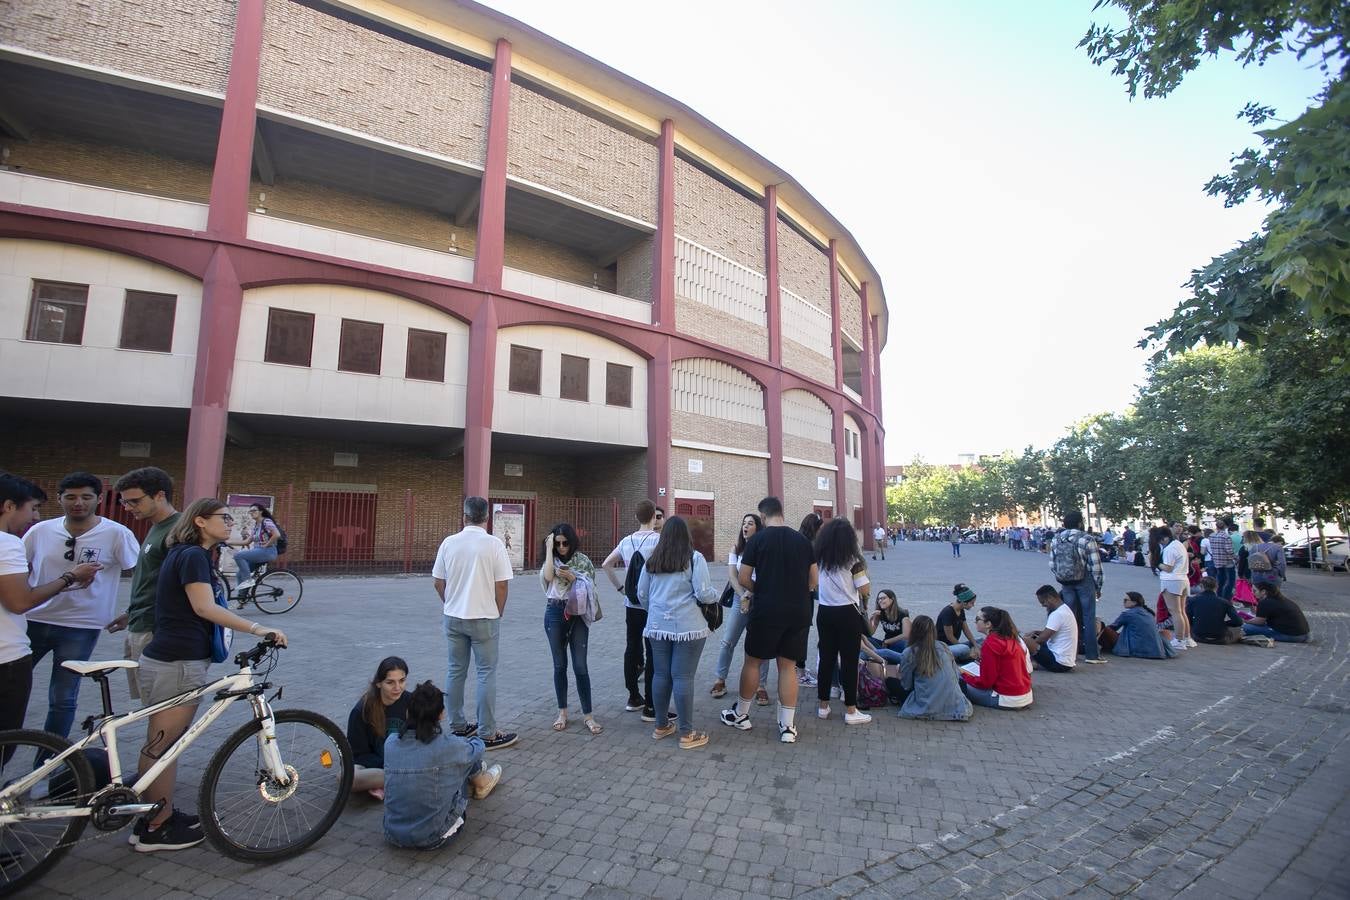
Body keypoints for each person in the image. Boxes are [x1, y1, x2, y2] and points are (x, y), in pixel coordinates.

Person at [132, 498, 289, 852]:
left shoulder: (193, 554)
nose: (230, 524)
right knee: (164, 745)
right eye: (224, 518)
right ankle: (156, 827)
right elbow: (205, 607)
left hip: (176, 657)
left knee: (161, 741)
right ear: (201, 521)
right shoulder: (192, 556)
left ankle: (157, 812)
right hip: (177, 661)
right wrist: (257, 627)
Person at [23, 472, 139, 739]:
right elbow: (17, 568)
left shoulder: (117, 533)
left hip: (81, 626)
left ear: (99, 499)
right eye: (71, 497)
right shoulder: (40, 531)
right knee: (10, 690)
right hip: (33, 620)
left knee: (62, 697)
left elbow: (141, 575)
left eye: (86, 497)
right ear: (59, 498)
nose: (79, 503)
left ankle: (49, 762)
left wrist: (132, 611)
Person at [0, 474, 100, 733]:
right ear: (9, 506)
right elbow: (20, 602)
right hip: (7, 655)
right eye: (32, 508)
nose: (34, 517)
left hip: (78, 623)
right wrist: (70, 577)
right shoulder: (7, 543)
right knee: (6, 739)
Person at [721, 497, 818, 744]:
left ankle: (741, 715)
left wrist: (762, 589)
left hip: (766, 610)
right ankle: (787, 726)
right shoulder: (803, 541)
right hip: (798, 611)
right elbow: (814, 581)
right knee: (787, 666)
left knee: (753, 662)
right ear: (781, 513)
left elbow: (743, 577)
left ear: (762, 517)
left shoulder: (757, 540)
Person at [431, 496, 517, 751]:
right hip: (484, 616)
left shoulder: (449, 543)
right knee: (485, 673)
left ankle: (458, 726)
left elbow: (437, 581)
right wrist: (497, 611)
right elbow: (501, 584)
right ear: (487, 518)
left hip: (454, 616)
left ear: (464, 516)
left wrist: (450, 602)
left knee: (455, 670)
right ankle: (487, 732)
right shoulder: (493, 545)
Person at [383, 681, 503, 850]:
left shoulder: (391, 742)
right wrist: (462, 742)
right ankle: (481, 780)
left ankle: (476, 774)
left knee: (456, 754)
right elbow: (479, 747)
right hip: (433, 836)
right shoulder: (448, 746)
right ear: (441, 715)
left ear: (408, 712)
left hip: (393, 833)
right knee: (464, 754)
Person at [636, 515, 718, 749]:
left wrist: (655, 611)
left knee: (660, 675)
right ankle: (687, 733)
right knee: (683, 677)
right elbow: (703, 593)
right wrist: (715, 595)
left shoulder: (652, 559)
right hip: (688, 626)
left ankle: (661, 726)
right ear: (686, 536)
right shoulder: (694, 558)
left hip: (656, 626)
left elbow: (641, 593)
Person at [107, 467, 180, 702]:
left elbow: (177, 586)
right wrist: (131, 612)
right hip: (140, 624)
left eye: (134, 501)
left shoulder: (176, 531)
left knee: (158, 706)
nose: (128, 508)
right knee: (148, 703)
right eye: (125, 502)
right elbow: (152, 579)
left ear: (159, 495)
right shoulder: (157, 526)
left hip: (155, 630)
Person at [600, 500, 663, 717]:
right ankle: (651, 705)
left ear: (636, 517)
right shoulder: (658, 540)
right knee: (653, 650)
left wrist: (620, 588)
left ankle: (633, 696)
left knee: (632, 647)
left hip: (631, 604)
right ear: (654, 517)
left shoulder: (626, 541)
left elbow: (606, 564)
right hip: (652, 603)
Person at [540, 522, 600, 735]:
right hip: (555, 612)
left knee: (580, 666)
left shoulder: (582, 560)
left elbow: (592, 586)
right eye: (558, 544)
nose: (562, 547)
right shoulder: (551, 559)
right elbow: (548, 577)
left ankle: (588, 715)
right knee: (559, 665)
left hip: (578, 613)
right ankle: (562, 712)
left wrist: (574, 578)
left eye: (566, 543)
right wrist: (548, 550)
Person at [812, 517, 872, 725]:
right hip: (848, 614)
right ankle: (851, 710)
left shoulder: (819, 559)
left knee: (826, 659)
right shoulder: (853, 561)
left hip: (825, 612)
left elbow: (812, 584)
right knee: (849, 661)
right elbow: (864, 589)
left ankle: (823, 706)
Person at [710, 513, 769, 705]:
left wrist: (750, 595)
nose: (745, 527)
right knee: (728, 641)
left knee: (761, 644)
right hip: (739, 598)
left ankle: (761, 686)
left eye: (750, 524)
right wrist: (743, 595)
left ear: (758, 528)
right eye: (744, 523)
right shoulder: (736, 549)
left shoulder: (763, 549)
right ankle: (720, 680)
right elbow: (732, 576)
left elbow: (763, 577)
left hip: (759, 599)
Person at [347, 656, 410, 800]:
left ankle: (384, 785)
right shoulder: (361, 710)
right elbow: (358, 754)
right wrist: (386, 763)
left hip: (405, 761)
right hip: (375, 766)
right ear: (379, 683)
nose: (397, 688)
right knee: (347, 777)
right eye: (390, 682)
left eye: (402, 681)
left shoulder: (410, 701)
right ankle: (400, 781)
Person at [1049, 510, 1105, 664]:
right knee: (1088, 616)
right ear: (1080, 523)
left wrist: (1062, 576)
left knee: (1070, 617)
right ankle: (1092, 655)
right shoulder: (1086, 538)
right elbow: (1096, 566)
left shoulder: (1056, 539)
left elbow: (1052, 564)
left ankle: (1070, 652)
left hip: (1066, 582)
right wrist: (1098, 586)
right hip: (1084, 580)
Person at [895, 615, 973, 721]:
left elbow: (906, 685)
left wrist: (899, 673)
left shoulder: (910, 652)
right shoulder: (944, 647)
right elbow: (956, 675)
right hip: (956, 707)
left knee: (891, 683)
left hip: (927, 705)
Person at [959, 607, 1033, 710]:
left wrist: (965, 676)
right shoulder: (1011, 638)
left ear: (988, 624)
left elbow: (986, 682)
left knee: (956, 680)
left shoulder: (991, 643)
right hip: (1025, 695)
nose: (975, 622)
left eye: (977, 619)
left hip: (1006, 698)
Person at [794, 512, 823, 688]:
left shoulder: (796, 540)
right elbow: (814, 576)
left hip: (793, 592)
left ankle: (795, 668)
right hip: (804, 593)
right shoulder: (810, 545)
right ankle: (800, 671)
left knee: (797, 631)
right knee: (802, 631)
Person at [228, 503, 282, 593]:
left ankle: (248, 581)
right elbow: (247, 542)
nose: (251, 513)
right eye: (250, 511)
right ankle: (242, 599)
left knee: (238, 556)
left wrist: (267, 544)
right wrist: (228, 542)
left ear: (261, 511)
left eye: (254, 510)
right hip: (259, 552)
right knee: (239, 575)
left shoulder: (266, 521)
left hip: (268, 551)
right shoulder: (256, 526)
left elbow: (277, 534)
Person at [1022, 585, 1077, 673]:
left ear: (1050, 598)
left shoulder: (1058, 614)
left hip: (1059, 663)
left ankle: (1023, 662)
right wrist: (1035, 633)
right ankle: (1032, 661)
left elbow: (1043, 638)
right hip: (1066, 661)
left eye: (1043, 602)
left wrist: (1028, 644)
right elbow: (1053, 632)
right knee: (1032, 638)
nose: (1043, 605)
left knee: (1025, 640)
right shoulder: (1065, 609)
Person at [1156, 526, 1194, 651]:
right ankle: (1187, 637)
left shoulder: (1170, 549)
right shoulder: (1179, 544)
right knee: (1182, 611)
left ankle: (1179, 639)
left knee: (1175, 612)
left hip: (1172, 580)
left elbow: (1168, 567)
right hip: (1183, 579)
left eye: (1161, 540)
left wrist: (1156, 563)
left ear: (1165, 538)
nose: (1160, 543)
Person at [1109, 592, 1176, 658]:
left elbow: (1113, 627)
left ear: (1134, 602)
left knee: (1105, 630)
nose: (1124, 602)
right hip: (1156, 651)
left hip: (1137, 650)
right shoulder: (1148, 613)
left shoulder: (1127, 614)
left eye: (1126, 600)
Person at [1242, 582, 1310, 643]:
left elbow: (1260, 621)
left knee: (1245, 627)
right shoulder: (1281, 599)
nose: (1252, 593)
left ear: (1263, 591)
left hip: (1292, 636)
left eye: (1254, 591)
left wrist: (1245, 620)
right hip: (1304, 634)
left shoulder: (1265, 602)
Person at [1186, 577, 1244, 645]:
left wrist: (1197, 622)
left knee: (1187, 622)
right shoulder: (1224, 602)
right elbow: (1238, 621)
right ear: (1216, 587)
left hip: (1198, 636)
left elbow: (1187, 618)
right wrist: (1224, 624)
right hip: (1219, 638)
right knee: (1239, 630)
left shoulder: (1193, 600)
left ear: (1201, 586)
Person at [936, 584, 981, 663]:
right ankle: (963, 658)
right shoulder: (948, 612)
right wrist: (961, 646)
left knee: (980, 641)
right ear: (964, 603)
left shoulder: (961, 610)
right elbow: (950, 637)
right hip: (943, 647)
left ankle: (967, 656)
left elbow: (966, 630)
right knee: (965, 649)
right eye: (972, 603)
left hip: (954, 645)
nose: (973, 605)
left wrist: (975, 645)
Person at [867, 589, 909, 663]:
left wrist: (888, 641)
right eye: (879, 599)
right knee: (865, 638)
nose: (880, 601)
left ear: (892, 599)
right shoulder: (880, 614)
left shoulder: (902, 614)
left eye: (883, 598)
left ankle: (878, 655)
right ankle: (880, 655)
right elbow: (870, 633)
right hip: (885, 645)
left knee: (904, 642)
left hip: (898, 645)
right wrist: (871, 619)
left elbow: (906, 635)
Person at [1208, 518, 1238, 601]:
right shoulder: (1226, 537)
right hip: (1227, 562)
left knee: (1220, 581)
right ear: (1225, 526)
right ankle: (1226, 598)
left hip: (1217, 561)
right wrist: (1236, 557)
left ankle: (1219, 597)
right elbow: (1229, 550)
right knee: (1230, 581)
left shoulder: (1211, 536)